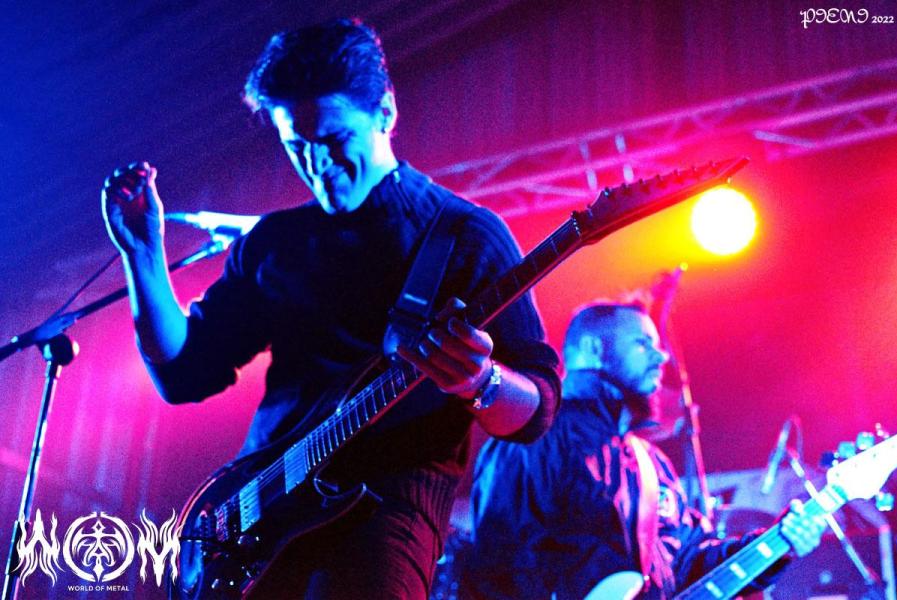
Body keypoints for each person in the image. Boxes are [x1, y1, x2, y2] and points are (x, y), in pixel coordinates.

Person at [100, 18, 560, 600]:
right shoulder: (275, 242)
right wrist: (144, 256)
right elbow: (184, 374)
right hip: (259, 510)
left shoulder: (464, 236)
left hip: (386, 513)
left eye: (335, 140)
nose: (317, 165)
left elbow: (537, 411)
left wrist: (481, 380)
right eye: (296, 146)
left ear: (385, 113)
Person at [464, 300, 827, 599]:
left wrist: (778, 543)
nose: (661, 357)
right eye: (642, 343)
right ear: (593, 350)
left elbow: (689, 562)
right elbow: (497, 567)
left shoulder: (653, 464)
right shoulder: (535, 438)